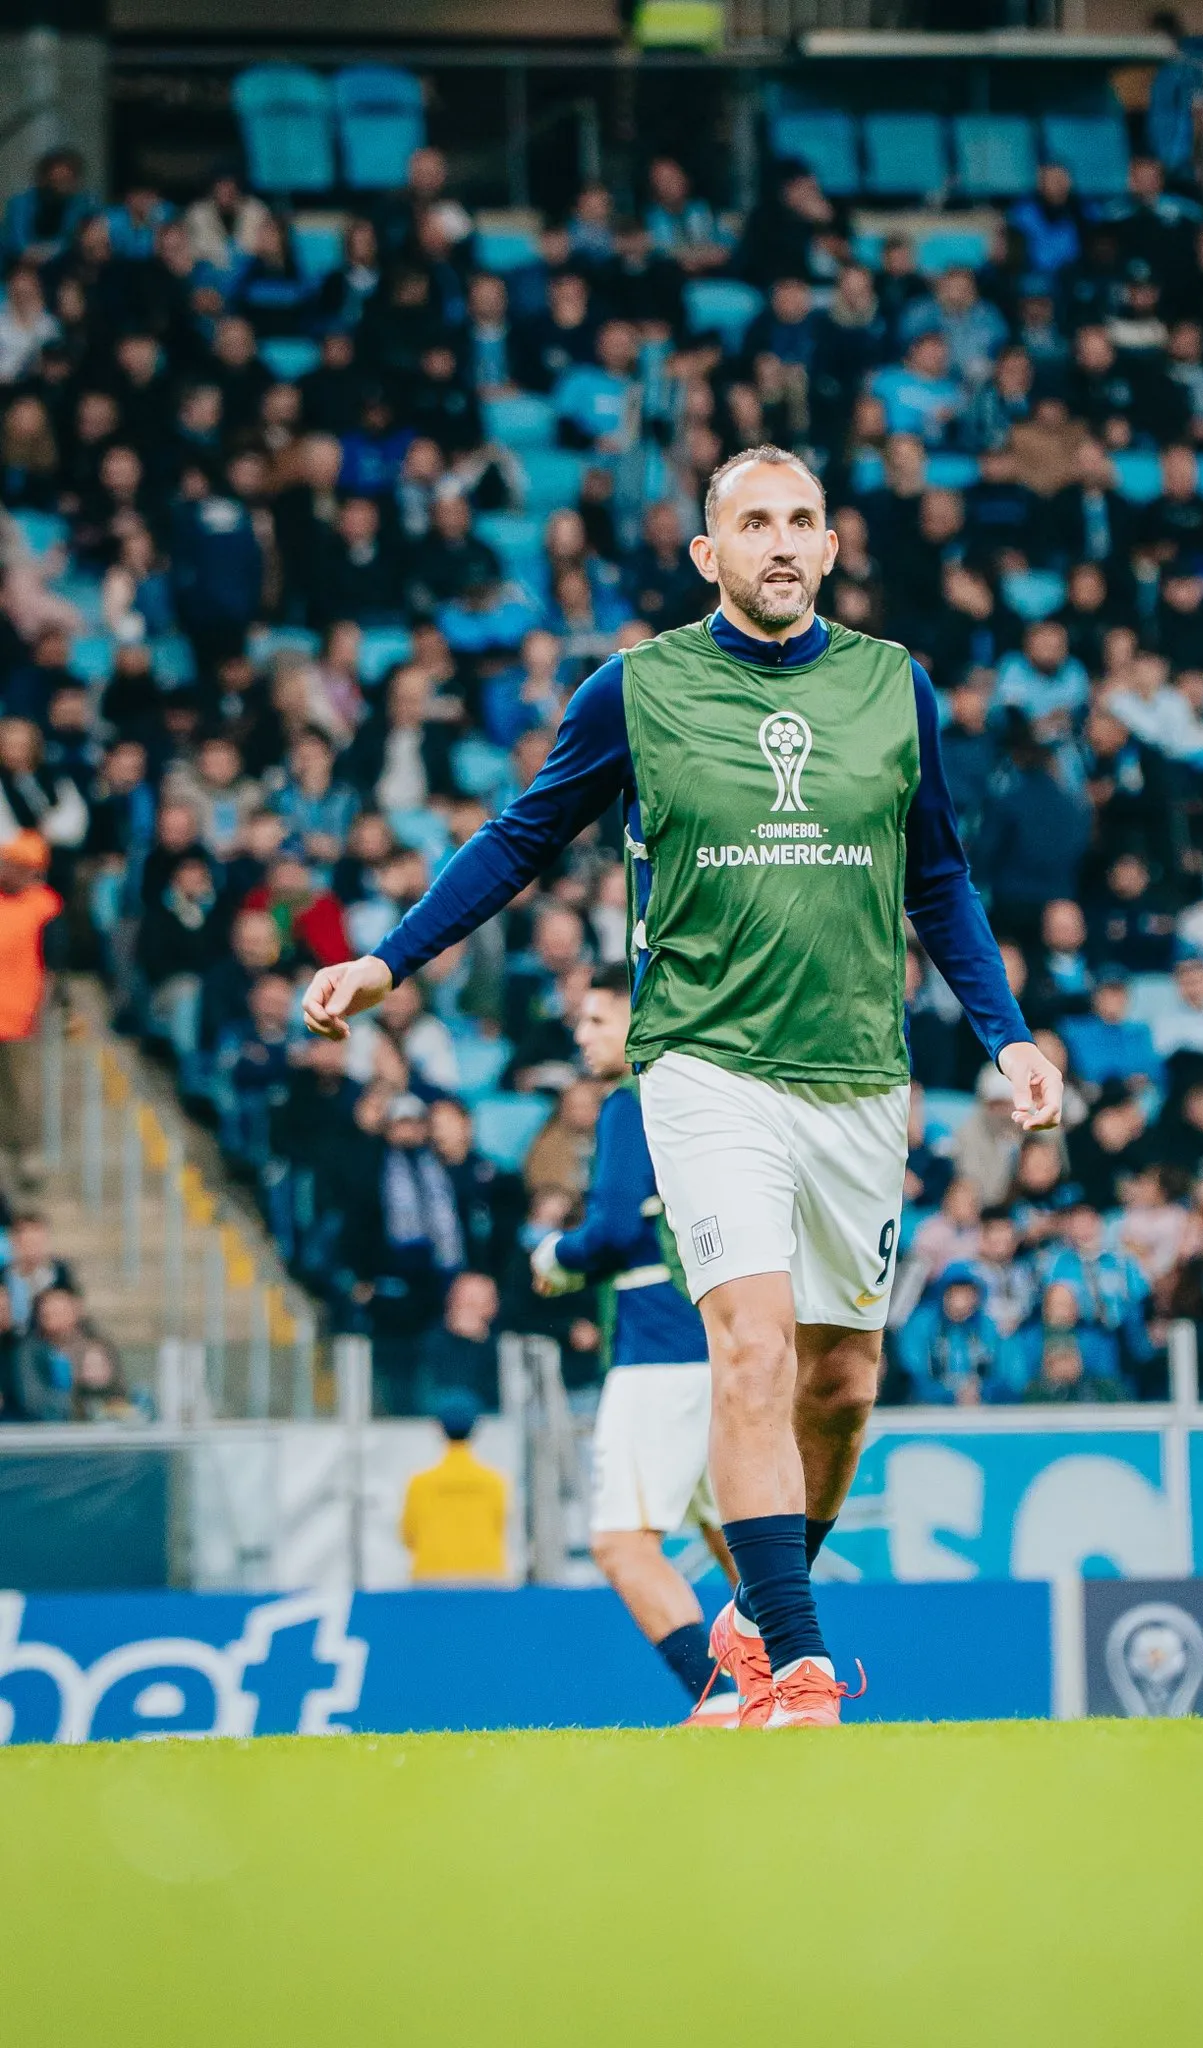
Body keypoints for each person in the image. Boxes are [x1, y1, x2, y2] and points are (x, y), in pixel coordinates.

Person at [302, 444, 1064, 1728]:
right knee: (751, 1348)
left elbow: (939, 881)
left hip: (861, 1078)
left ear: (831, 548)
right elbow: (521, 836)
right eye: (751, 522)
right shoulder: (639, 687)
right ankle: (802, 1664)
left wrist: (1010, 1036)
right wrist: (390, 959)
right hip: (704, 1067)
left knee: (842, 1383)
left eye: (801, 520)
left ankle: (761, 1609)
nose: (779, 541)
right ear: (708, 554)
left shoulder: (896, 688)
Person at [531, 966, 740, 1727]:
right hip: (722, 1340)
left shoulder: (633, 1103)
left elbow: (618, 1231)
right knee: (736, 1537)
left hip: (660, 1351)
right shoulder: (708, 1096)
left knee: (622, 1543)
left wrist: (557, 1255)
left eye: (595, 1020)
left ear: (637, 1016)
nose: (582, 1036)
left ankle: (720, 1696)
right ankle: (792, 1688)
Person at [0, 831, 62, 1196]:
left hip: (18, 1017)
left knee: (20, 1092)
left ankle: (24, 1156)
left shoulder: (43, 907)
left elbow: (53, 964)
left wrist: (43, 1006)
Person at [399, 1391, 509, 1584]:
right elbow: (499, 1526)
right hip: (485, 1576)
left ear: (438, 1428)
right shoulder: (494, 1481)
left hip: (431, 1576)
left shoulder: (420, 1483)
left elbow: (408, 1536)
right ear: (476, 1427)